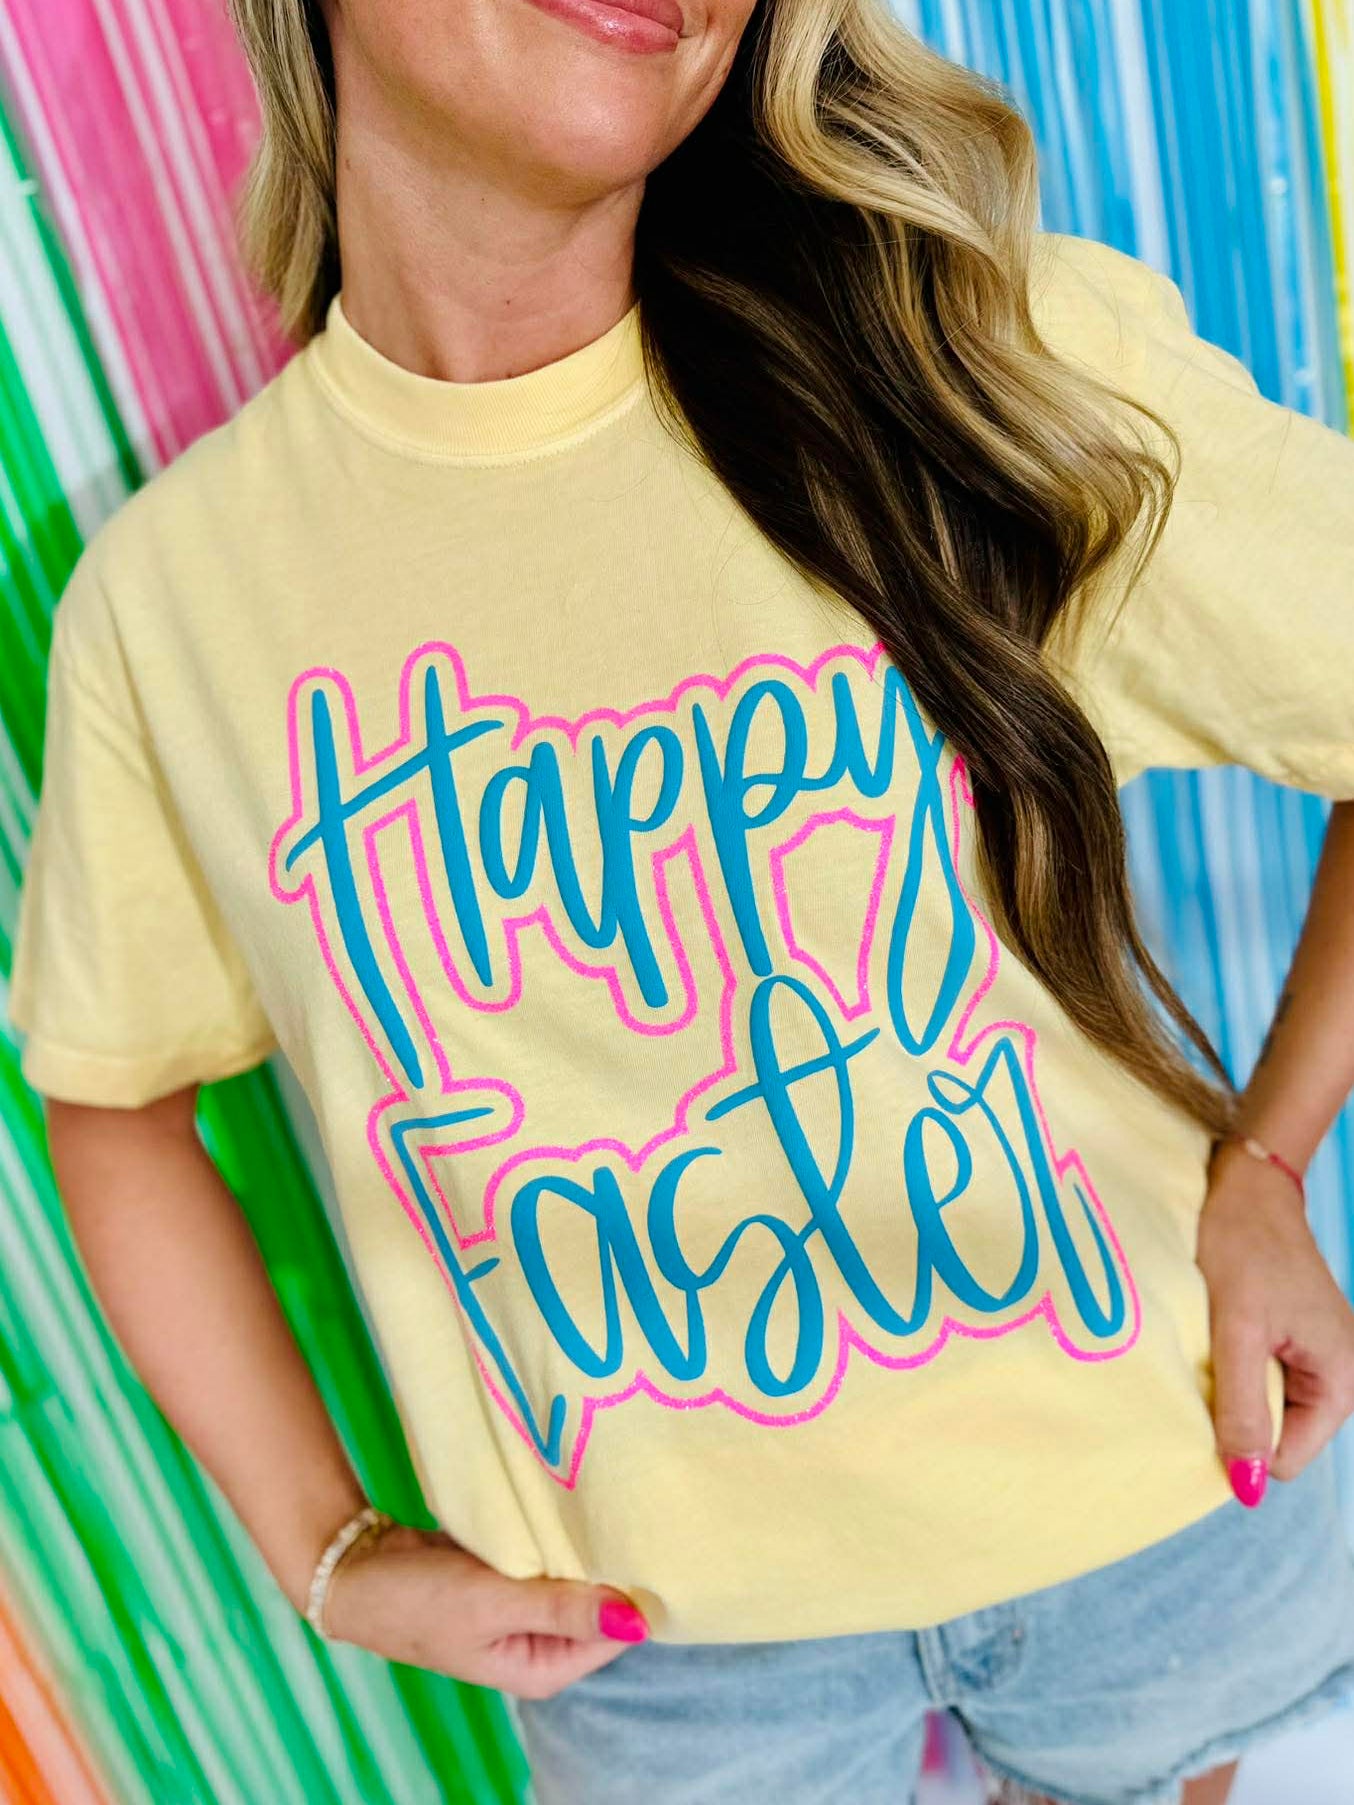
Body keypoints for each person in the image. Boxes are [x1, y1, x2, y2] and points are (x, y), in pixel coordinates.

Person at [9, 0, 1354, 1799]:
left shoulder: (972, 368)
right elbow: (109, 1094)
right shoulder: (177, 605)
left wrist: (1268, 1160)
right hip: (669, 1667)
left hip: (1179, 1519)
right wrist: (323, 1551)